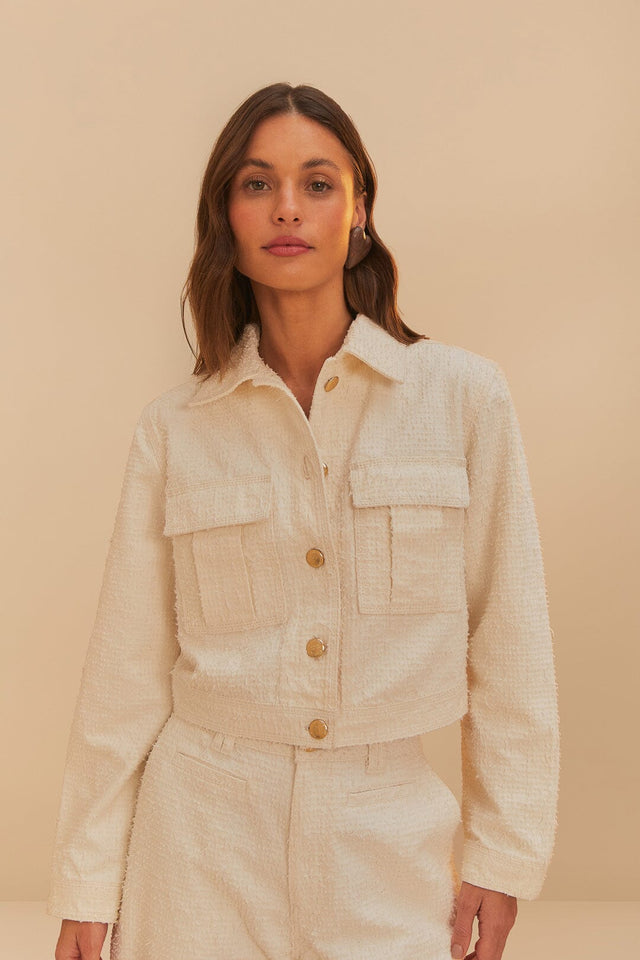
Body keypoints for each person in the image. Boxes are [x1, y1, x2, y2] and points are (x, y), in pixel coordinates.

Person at [48, 82, 560, 960]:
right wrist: (88, 884)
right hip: (199, 843)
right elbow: (123, 673)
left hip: (388, 839)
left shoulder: (462, 398)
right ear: (226, 215)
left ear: (360, 209)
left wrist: (503, 851)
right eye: (257, 184)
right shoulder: (177, 428)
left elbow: (510, 637)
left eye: (318, 183)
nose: (287, 208)